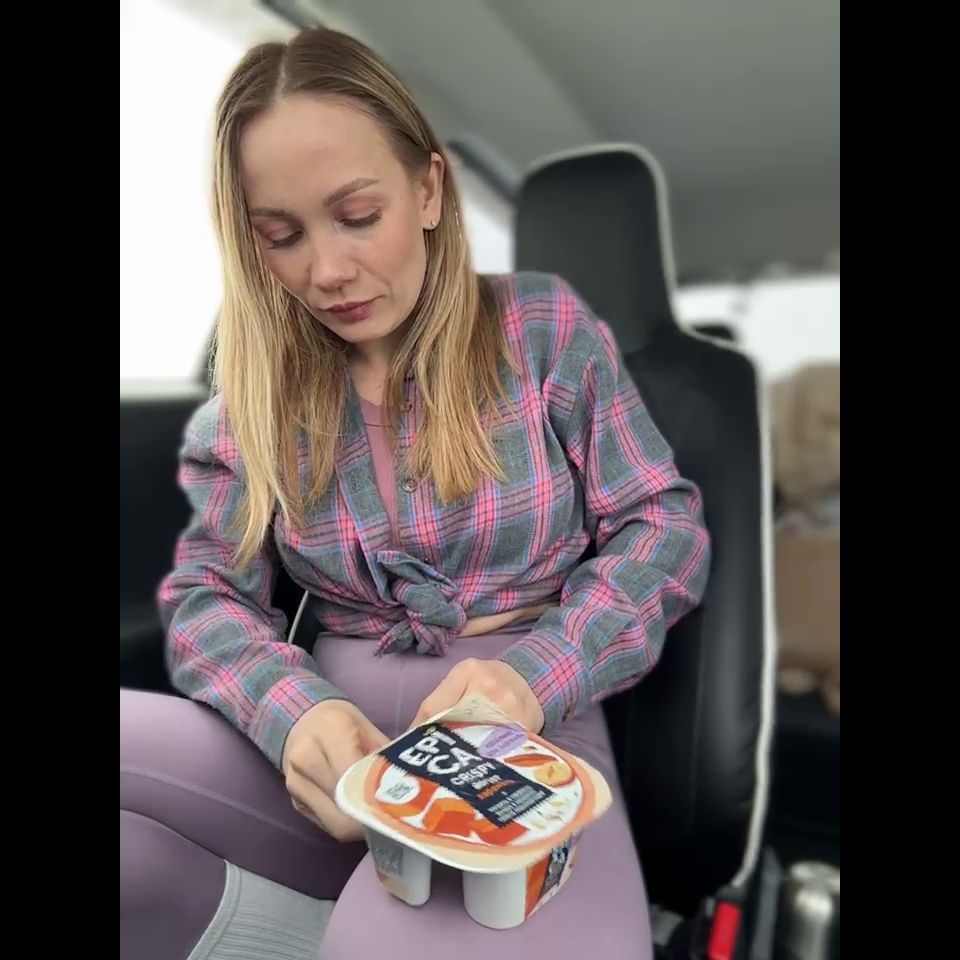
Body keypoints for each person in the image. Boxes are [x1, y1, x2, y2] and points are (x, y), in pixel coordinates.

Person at [119, 26, 710, 960]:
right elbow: (206, 596)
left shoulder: (543, 330)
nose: (326, 272)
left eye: (358, 215)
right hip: (326, 736)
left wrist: (535, 676)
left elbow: (662, 530)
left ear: (429, 190)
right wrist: (290, 710)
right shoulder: (253, 397)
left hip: (519, 734)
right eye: (282, 236)